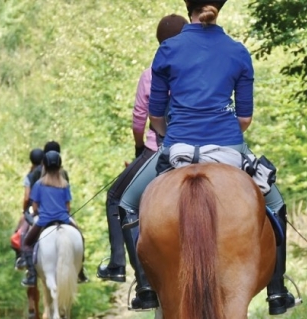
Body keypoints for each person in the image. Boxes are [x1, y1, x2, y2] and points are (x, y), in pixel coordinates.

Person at [118, 0, 297, 315]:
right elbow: (244, 120)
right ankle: (278, 290)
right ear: (218, 8)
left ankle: (145, 286)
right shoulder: (237, 51)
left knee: (128, 204)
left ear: (188, 7)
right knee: (276, 204)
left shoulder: (168, 50)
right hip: (228, 150)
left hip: (178, 151)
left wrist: (166, 133)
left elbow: (155, 116)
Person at [97, 14, 189, 289]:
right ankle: (276, 284)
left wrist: (140, 147)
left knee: (116, 198)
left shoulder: (151, 73)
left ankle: (131, 273)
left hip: (161, 148)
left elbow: (140, 119)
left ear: (160, 42)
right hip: (208, 144)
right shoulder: (199, 69)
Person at [20, 150, 88, 287]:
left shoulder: (38, 184)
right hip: (64, 219)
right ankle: (80, 271)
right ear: (59, 166)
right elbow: (68, 207)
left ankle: (32, 275)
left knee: (26, 243)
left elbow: (35, 206)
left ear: (44, 166)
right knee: (80, 238)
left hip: (44, 220)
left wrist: (44, 211)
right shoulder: (64, 184)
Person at [12, 148, 44, 270]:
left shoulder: (30, 176)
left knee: (20, 233)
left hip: (34, 208)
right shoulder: (50, 173)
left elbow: (26, 197)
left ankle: (22, 259)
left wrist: (25, 211)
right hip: (54, 208)